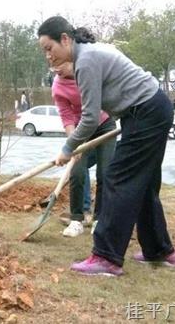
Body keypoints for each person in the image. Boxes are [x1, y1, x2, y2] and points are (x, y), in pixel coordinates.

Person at [38, 16, 175, 276]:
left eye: (49, 48)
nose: (48, 56)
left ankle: (106, 257)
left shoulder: (86, 61)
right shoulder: (91, 54)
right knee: (143, 182)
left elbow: (91, 117)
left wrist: (68, 148)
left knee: (117, 178)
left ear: (65, 39)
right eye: (44, 52)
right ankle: (160, 250)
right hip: (150, 109)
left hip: (145, 111)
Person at [51, 61, 116, 237]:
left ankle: (99, 220)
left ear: (70, 61)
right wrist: (73, 144)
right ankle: (76, 220)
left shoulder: (87, 71)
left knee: (105, 173)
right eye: (52, 66)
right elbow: (66, 116)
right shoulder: (58, 86)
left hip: (104, 125)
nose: (56, 68)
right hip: (82, 129)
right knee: (77, 172)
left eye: (59, 64)